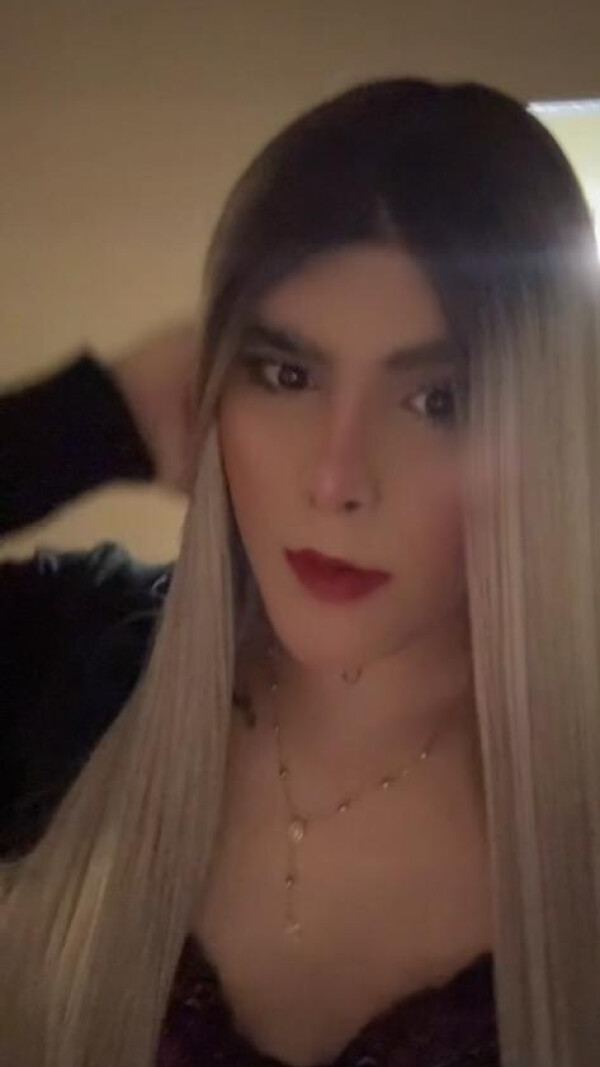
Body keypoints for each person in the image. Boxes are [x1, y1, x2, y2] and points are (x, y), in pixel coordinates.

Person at [1, 76, 599, 1067]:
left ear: (544, 433)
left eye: (439, 400)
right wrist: (91, 417)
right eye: (286, 373)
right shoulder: (87, 677)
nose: (334, 479)